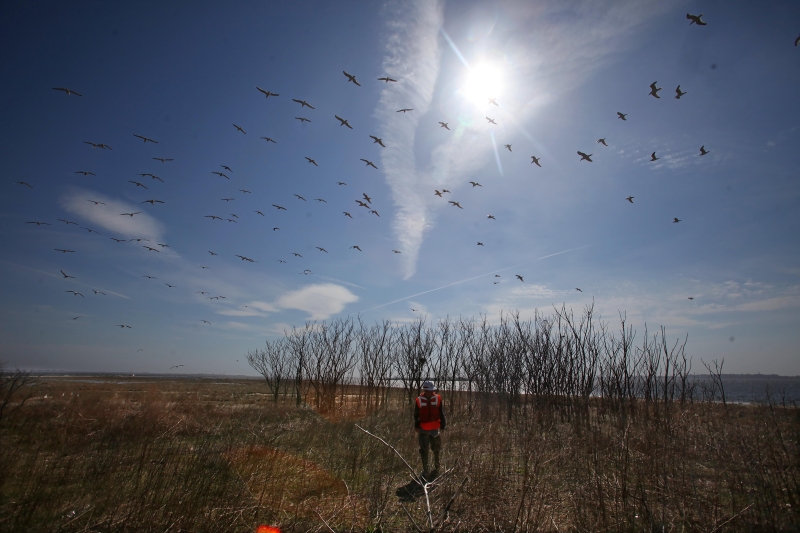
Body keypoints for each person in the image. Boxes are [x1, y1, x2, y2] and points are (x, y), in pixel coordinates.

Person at [414, 380, 446, 480]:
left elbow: (441, 411)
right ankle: (425, 470)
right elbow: (416, 414)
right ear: (425, 390)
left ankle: (437, 467)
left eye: (433, 390)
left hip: (435, 429)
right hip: (423, 429)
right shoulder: (419, 400)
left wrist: (443, 424)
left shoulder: (438, 398)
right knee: (424, 450)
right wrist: (417, 426)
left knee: (436, 449)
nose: (431, 392)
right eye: (429, 390)